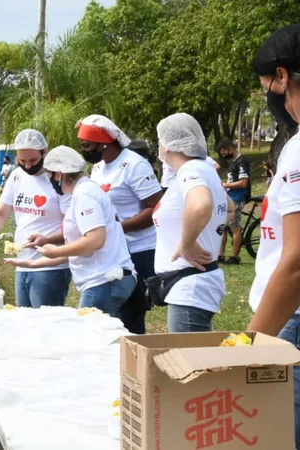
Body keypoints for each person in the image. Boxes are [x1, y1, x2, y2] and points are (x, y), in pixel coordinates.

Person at [248, 25, 300, 449]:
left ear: (283, 77)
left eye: (268, 88)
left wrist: (250, 344)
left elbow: (297, 263)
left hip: (291, 323)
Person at [9, 146, 136, 317]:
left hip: (103, 280)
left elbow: (95, 240)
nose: (50, 181)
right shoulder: (83, 192)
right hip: (104, 280)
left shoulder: (85, 195)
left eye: (50, 175)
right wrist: (35, 261)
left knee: (88, 338)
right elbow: (77, 249)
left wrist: (55, 251)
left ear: (59, 174)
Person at [77, 114, 163, 335]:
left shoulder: (134, 165)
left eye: (87, 145)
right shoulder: (98, 168)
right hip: (111, 251)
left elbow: (155, 208)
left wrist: (116, 229)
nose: (84, 150)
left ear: (104, 143)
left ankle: (134, 361)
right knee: (107, 317)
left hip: (138, 250)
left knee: (130, 318)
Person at [0, 129, 72, 308]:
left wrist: (49, 240)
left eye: (32, 160)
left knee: (43, 325)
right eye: (22, 161)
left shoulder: (58, 179)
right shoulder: (17, 176)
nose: (27, 166)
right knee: (23, 322)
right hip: (22, 263)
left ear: (45, 152)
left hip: (50, 267)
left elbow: (72, 226)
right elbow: (1, 212)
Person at [153, 113, 230, 333]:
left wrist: (187, 243)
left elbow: (201, 206)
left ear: (168, 146)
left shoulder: (190, 170)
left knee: (188, 362)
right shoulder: (206, 169)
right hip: (193, 282)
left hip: (190, 286)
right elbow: (229, 208)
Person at [217, 139, 251, 265]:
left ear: (230, 148)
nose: (223, 155)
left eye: (224, 152)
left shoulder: (241, 162)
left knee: (235, 228)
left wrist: (226, 184)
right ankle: (220, 255)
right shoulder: (234, 162)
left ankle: (235, 257)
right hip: (230, 197)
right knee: (224, 227)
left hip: (237, 198)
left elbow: (243, 182)